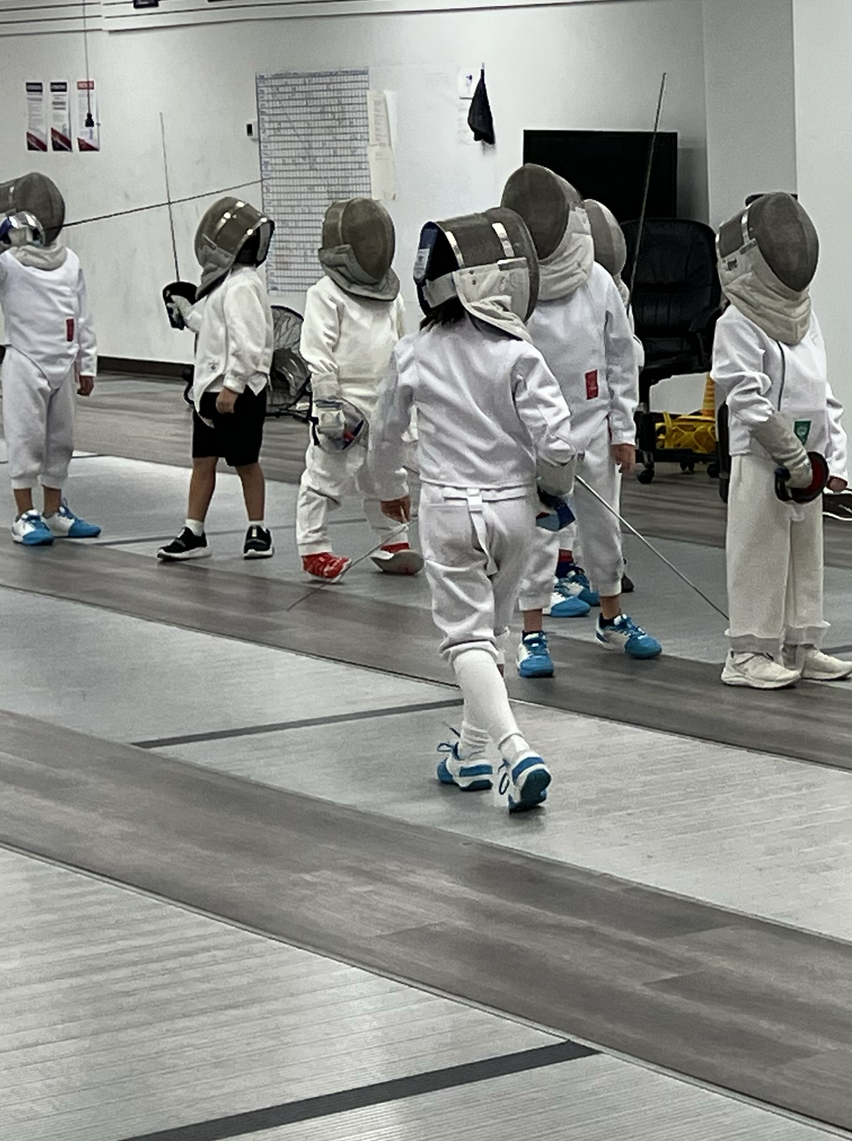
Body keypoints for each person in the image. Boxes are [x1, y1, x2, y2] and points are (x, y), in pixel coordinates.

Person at [365, 207, 573, 813]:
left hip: (451, 512)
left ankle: (515, 751)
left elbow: (384, 435)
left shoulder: (413, 351)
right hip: (515, 513)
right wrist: (554, 489)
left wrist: (388, 488)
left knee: (468, 642)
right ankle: (471, 755)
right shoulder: (517, 352)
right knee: (492, 636)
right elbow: (559, 444)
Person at [496, 166, 657, 674]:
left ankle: (611, 619)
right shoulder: (512, 286)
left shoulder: (599, 281)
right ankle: (532, 635)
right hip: (539, 434)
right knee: (539, 535)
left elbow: (620, 359)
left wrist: (624, 430)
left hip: (595, 428)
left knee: (604, 529)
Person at [713, 192, 851, 690]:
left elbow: (821, 390)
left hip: (807, 462)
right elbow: (746, 400)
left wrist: (833, 458)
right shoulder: (735, 322)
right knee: (759, 554)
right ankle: (746, 654)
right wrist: (790, 455)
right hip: (761, 459)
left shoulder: (804, 317)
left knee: (805, 555)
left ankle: (801, 644)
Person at [158, 196, 278, 563]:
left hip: (236, 392)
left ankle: (258, 530)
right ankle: (194, 532)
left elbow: (248, 341)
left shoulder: (242, 285)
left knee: (245, 463)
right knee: (203, 461)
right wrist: (186, 312)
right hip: (210, 390)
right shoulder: (225, 283)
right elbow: (215, 329)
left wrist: (233, 386)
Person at [294, 197, 407, 581]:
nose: (373, 248)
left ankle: (394, 541)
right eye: (366, 240)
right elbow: (317, 350)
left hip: (384, 401)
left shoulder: (391, 294)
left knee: (384, 475)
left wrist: (405, 397)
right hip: (343, 403)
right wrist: (327, 405)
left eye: (377, 240)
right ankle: (313, 549)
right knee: (325, 476)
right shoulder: (325, 294)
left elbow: (401, 346)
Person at [0, 173, 99, 546]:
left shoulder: (70, 262)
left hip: (64, 361)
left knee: (61, 440)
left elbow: (82, 316)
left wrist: (87, 364)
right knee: (26, 438)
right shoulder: (6, 264)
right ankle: (24, 515)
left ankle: (53, 511)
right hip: (25, 361)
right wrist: (0, 243)